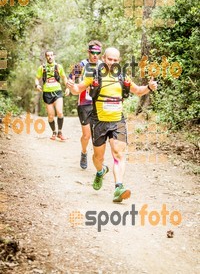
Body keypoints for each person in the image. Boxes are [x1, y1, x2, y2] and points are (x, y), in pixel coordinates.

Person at [67, 47, 157, 202]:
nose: (112, 62)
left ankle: (118, 188)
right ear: (104, 58)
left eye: (116, 60)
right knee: (98, 157)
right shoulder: (93, 74)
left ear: (119, 61)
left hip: (117, 121)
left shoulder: (123, 76)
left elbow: (139, 91)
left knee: (118, 154)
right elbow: (78, 89)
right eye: (110, 59)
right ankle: (101, 171)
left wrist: (149, 87)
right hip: (99, 121)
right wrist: (72, 87)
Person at [69, 40, 102, 169]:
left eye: (98, 53)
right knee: (86, 135)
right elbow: (71, 77)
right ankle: (84, 152)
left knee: (98, 135)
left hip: (98, 104)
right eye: (93, 52)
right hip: (84, 103)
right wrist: (70, 87)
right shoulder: (81, 65)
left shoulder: (103, 66)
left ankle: (99, 160)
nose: (95, 55)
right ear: (89, 52)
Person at [35, 50, 69, 141]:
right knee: (50, 116)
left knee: (60, 112)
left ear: (54, 56)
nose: (50, 57)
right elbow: (37, 78)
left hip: (58, 92)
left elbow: (64, 77)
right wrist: (37, 85)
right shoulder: (42, 67)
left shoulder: (58, 67)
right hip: (47, 93)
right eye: (48, 55)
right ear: (46, 57)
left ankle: (60, 132)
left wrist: (67, 87)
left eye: (51, 55)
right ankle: (54, 132)